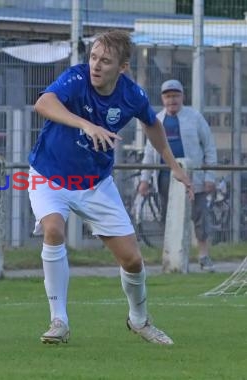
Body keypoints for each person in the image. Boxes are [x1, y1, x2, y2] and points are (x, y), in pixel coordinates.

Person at [28, 30, 193, 346]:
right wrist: (85, 124)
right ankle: (58, 320)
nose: (96, 65)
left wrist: (174, 165)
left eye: (105, 60)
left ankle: (139, 320)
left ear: (123, 67)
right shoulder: (76, 79)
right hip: (49, 174)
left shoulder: (133, 95)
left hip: (94, 183)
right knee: (54, 230)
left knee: (132, 259)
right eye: (93, 57)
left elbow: (152, 125)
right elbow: (43, 103)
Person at [138, 79, 218, 272]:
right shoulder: (156, 119)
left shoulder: (195, 117)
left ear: (182, 96)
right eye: (168, 96)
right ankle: (171, 258)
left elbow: (209, 147)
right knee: (168, 218)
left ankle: (203, 256)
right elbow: (150, 152)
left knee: (199, 216)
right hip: (166, 177)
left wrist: (210, 177)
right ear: (162, 98)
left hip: (193, 178)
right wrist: (144, 179)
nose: (172, 100)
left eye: (175, 95)